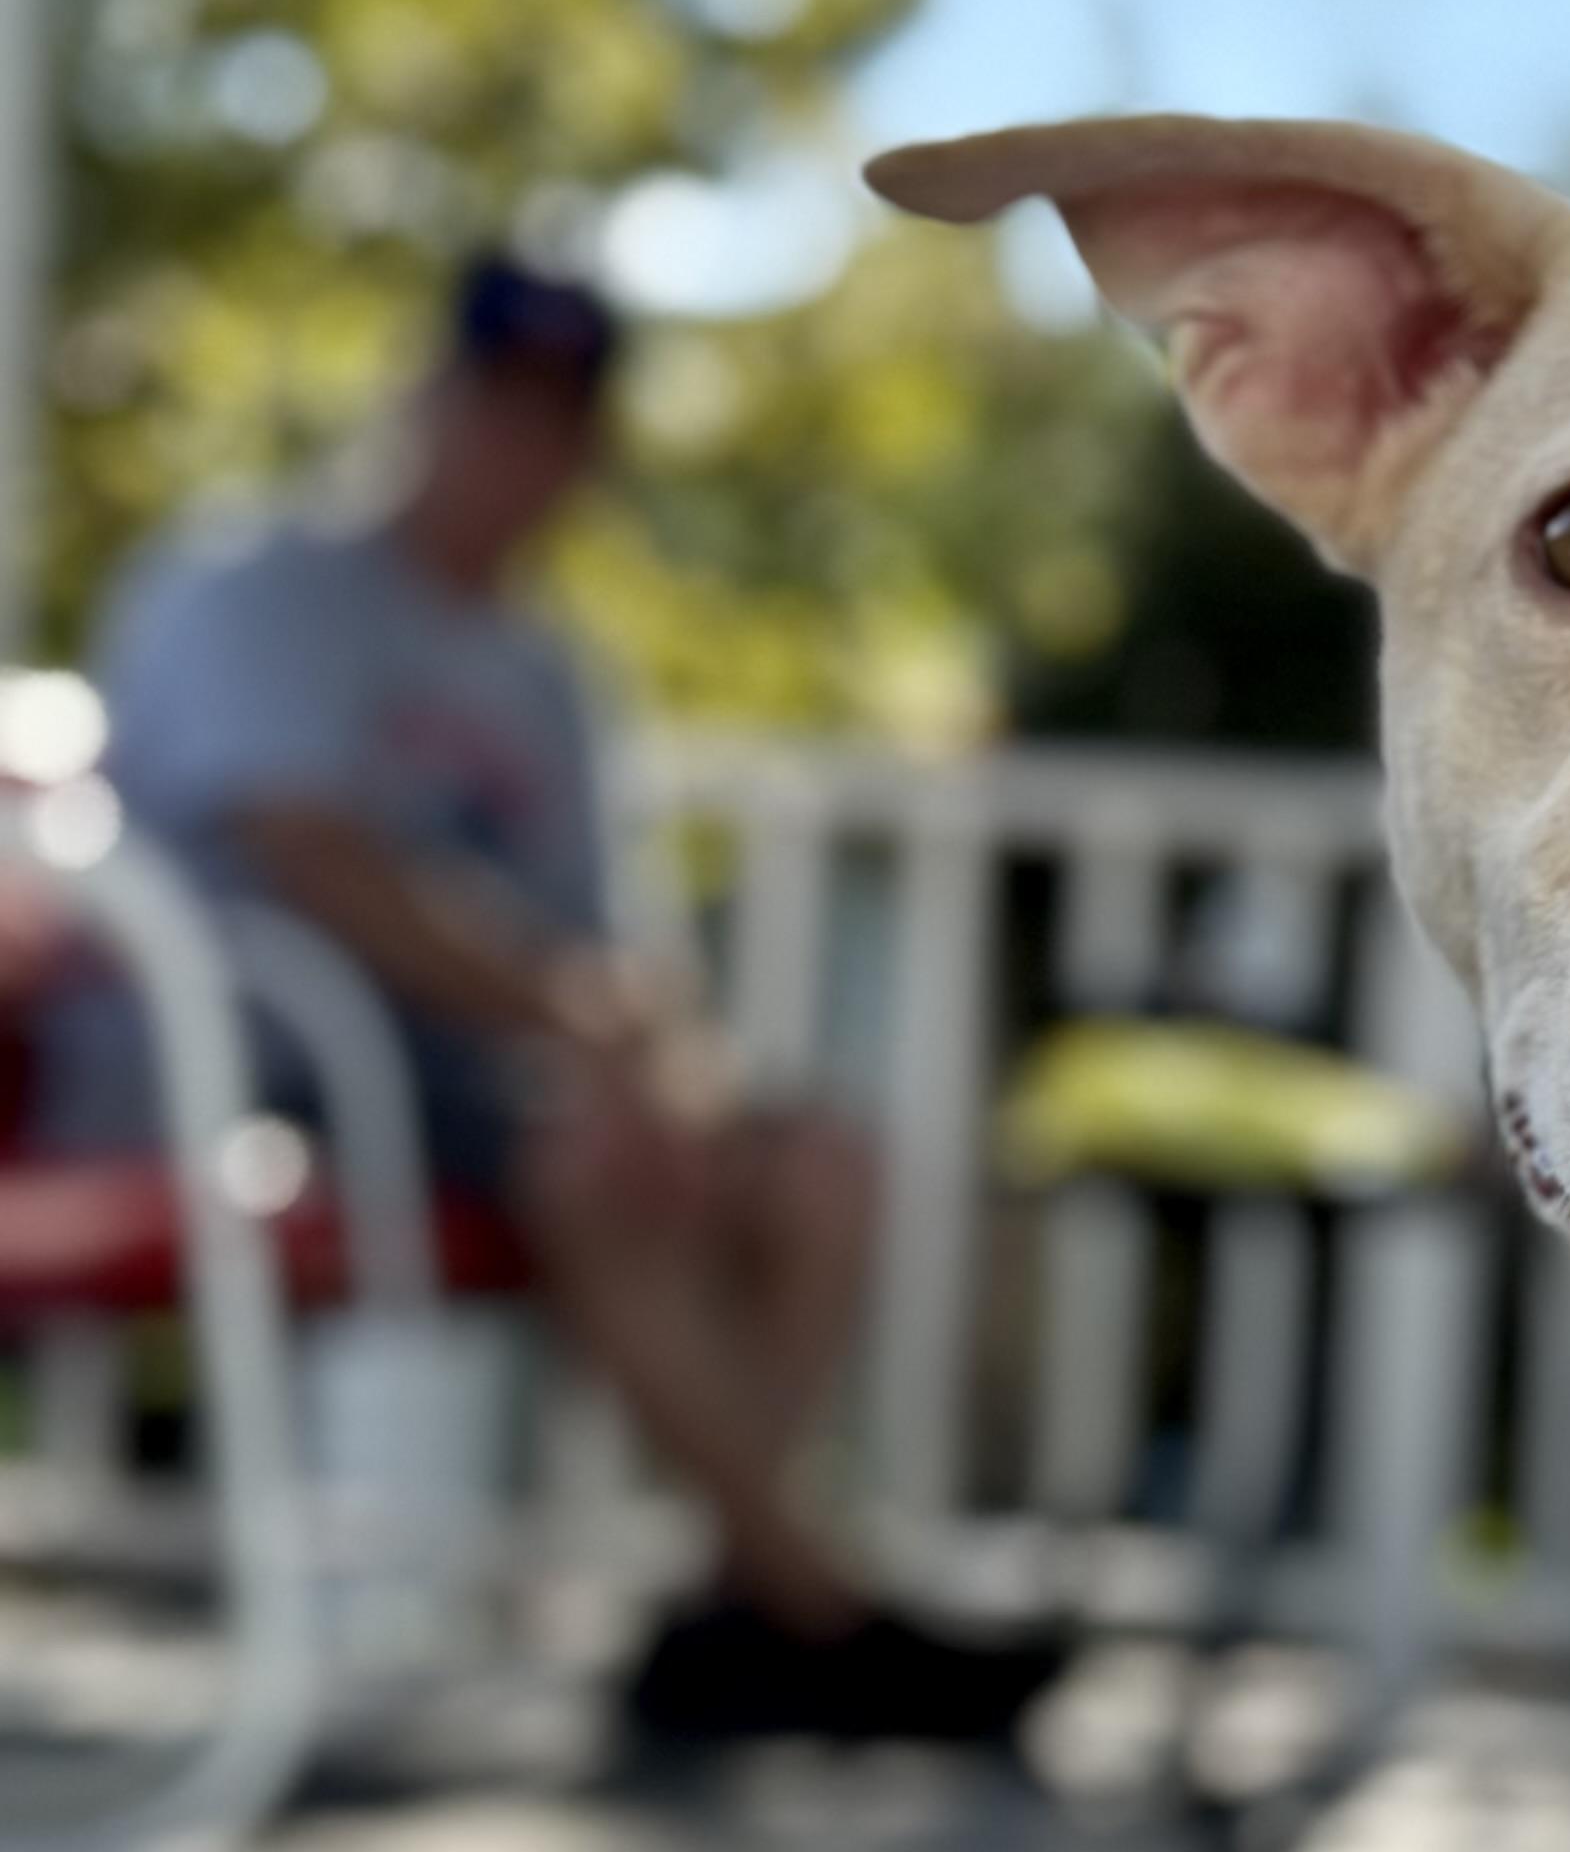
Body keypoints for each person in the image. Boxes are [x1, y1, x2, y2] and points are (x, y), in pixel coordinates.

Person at [63, 254, 1057, 1751]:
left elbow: (614, 954)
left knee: (811, 1164)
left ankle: (744, 1616)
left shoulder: (545, 674)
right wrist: (586, 1030)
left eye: (557, 421)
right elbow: (323, 870)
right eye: (496, 405)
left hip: (493, 1091)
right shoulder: (252, 588)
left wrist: (676, 1076)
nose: (521, 450)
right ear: (426, 398)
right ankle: (829, 1618)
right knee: (591, 1147)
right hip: (250, 1076)